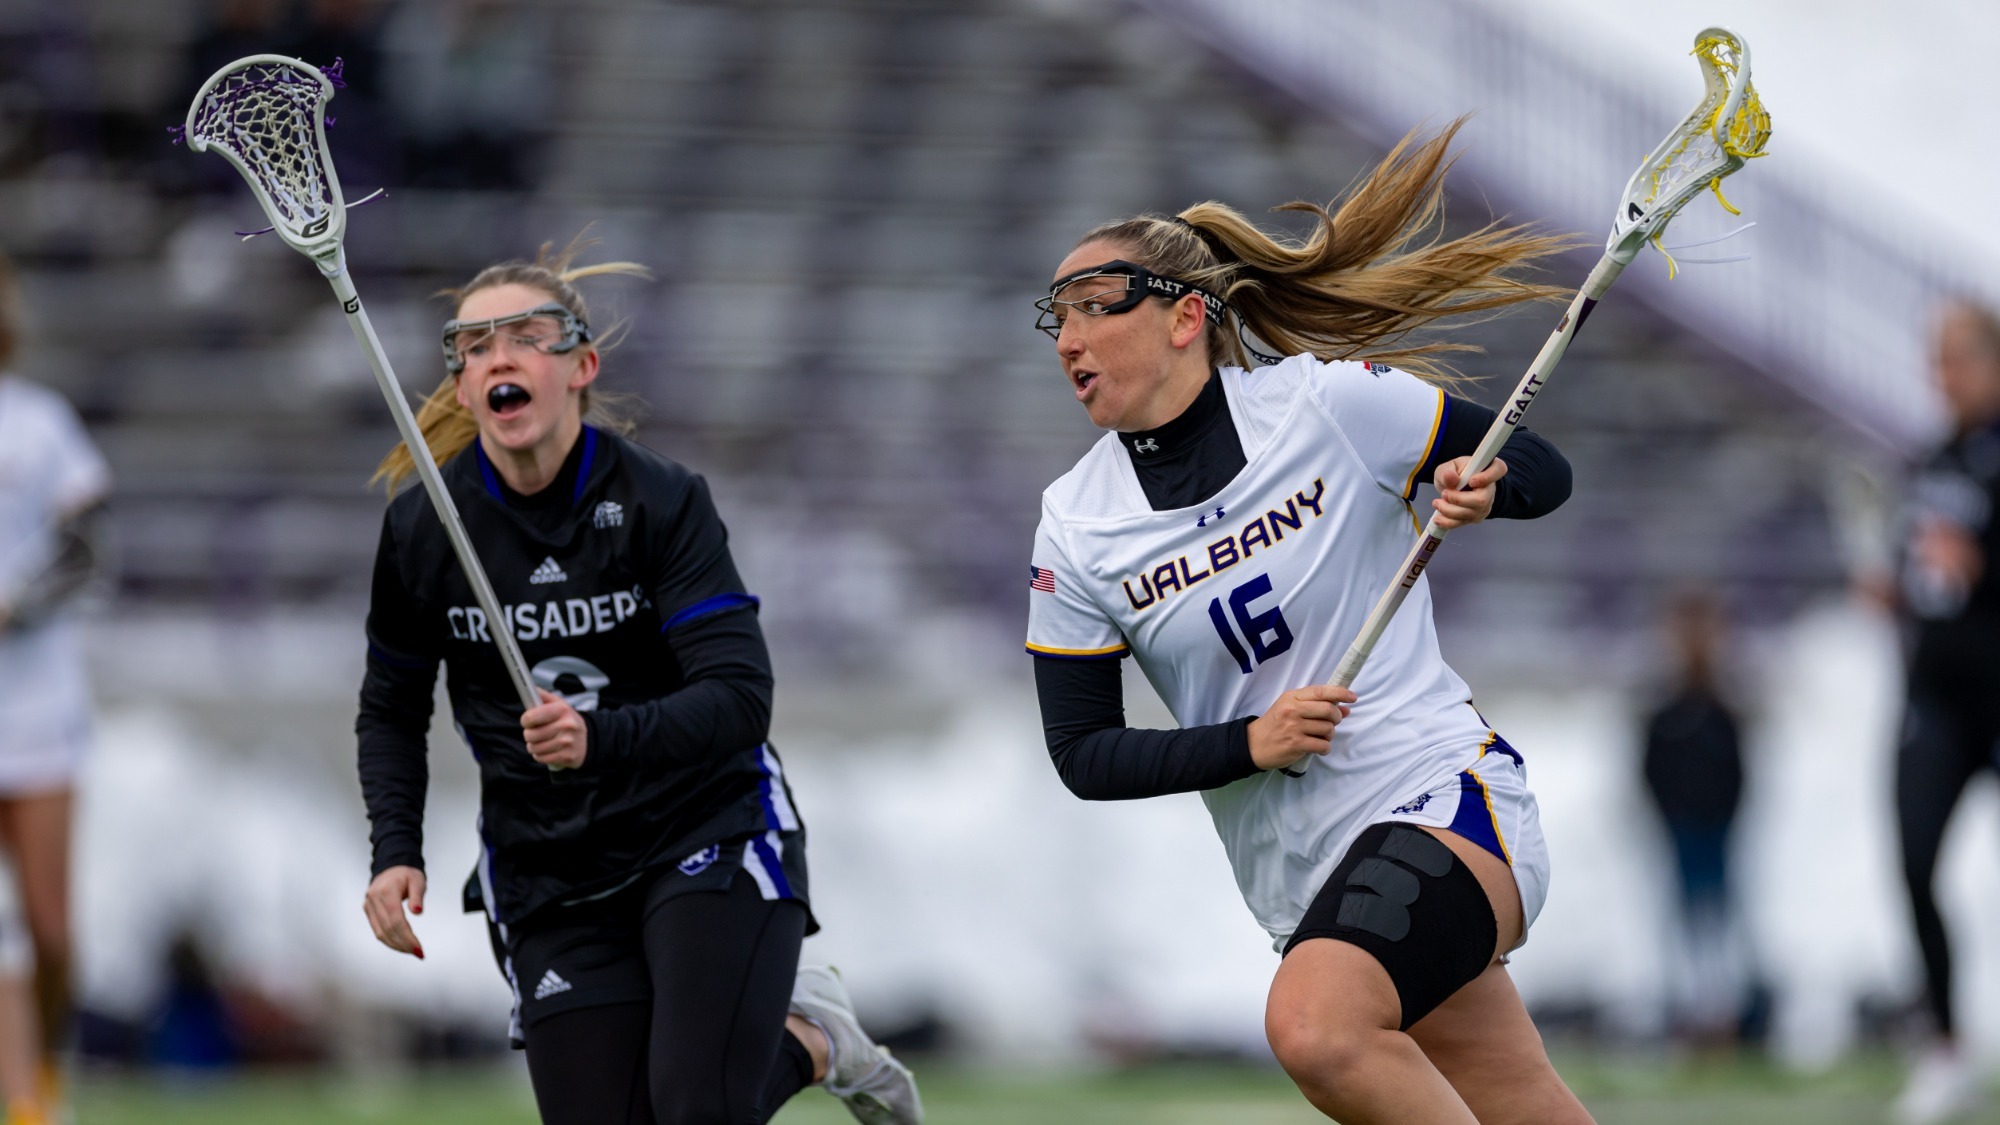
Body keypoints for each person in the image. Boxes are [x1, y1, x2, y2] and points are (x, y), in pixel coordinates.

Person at [1023, 122, 1595, 1124]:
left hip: (1439, 795)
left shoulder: (1328, 405)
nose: (1068, 338)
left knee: (1316, 1028)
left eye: (1094, 305)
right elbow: (1083, 752)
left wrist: (1486, 487)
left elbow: (1541, 469)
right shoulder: (1074, 523)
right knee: (1517, 1105)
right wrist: (1248, 742)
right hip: (1305, 882)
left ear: (1184, 317)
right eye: (1055, 316)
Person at [354, 244, 920, 1125]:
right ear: (463, 388)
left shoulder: (660, 500)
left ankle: (811, 1038)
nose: (500, 357)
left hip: (701, 827)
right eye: (475, 345)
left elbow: (740, 698)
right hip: (547, 863)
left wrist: (599, 737)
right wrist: (396, 849)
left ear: (581, 366)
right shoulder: (424, 528)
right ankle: (809, 1040)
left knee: (694, 1109)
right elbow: (391, 707)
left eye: (527, 336)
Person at [0, 251, 110, 1125]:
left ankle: (48, 1067)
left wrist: (15, 601)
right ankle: (24, 1098)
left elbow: (85, 548)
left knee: (48, 926)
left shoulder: (38, 421)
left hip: (38, 707)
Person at [1887, 301, 2000, 1125]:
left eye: (1956, 358)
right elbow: (1919, 567)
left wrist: (1983, 561)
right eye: (1936, 359)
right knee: (1917, 861)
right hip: (1937, 697)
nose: (1942, 376)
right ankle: (1946, 1046)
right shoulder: (1932, 457)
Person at [1639, 590, 1761, 1048]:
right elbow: (1650, 770)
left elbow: (1739, 771)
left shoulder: (1723, 707)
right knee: (1685, 918)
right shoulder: (1665, 710)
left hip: (1718, 829)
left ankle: (1726, 1012)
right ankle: (1691, 1012)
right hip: (1681, 830)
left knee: (1722, 919)